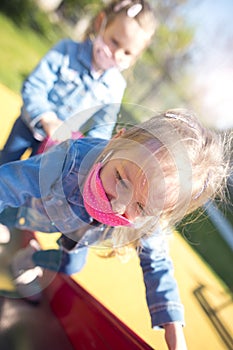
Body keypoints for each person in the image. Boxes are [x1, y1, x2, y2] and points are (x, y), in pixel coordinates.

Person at [0, 109, 230, 350]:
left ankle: (29, 258)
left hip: (80, 231)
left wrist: (174, 329)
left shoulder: (149, 218)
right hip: (33, 210)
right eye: (121, 180)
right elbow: (9, 182)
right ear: (118, 139)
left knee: (72, 265)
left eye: (140, 206)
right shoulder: (69, 161)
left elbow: (157, 264)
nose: (117, 205)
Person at [0, 0, 156, 165]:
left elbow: (101, 127)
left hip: (55, 148)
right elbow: (34, 86)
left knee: (29, 183)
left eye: (127, 52)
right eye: (114, 42)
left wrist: (88, 152)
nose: (117, 55)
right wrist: (47, 118)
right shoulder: (66, 51)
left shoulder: (116, 87)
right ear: (100, 23)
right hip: (29, 125)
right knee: (5, 164)